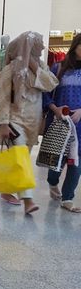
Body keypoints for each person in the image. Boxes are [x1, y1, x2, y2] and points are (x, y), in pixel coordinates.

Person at [0, 31, 59, 214]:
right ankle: (28, 200)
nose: (43, 47)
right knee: (21, 158)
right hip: (15, 121)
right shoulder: (10, 70)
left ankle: (7, 192)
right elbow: (3, 97)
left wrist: (33, 65)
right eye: (39, 43)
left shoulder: (41, 66)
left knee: (20, 159)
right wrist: (3, 123)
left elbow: (51, 84)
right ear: (29, 45)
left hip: (33, 121)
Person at [43, 34, 81, 213]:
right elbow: (45, 94)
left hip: (80, 124)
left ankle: (67, 198)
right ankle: (52, 182)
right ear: (75, 46)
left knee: (76, 161)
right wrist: (55, 110)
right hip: (60, 122)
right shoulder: (58, 68)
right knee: (56, 162)